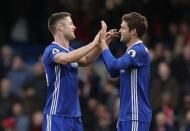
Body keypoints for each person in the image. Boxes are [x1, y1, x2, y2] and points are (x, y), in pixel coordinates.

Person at [42, 12, 105, 131]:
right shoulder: (51, 50)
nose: (74, 27)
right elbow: (66, 59)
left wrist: (102, 44)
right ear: (60, 27)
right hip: (57, 115)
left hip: (75, 115)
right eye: (71, 24)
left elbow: (86, 60)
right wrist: (93, 43)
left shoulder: (71, 50)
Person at [99, 12, 152, 131]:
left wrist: (103, 44)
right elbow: (113, 73)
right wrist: (105, 45)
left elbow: (113, 66)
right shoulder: (131, 51)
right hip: (126, 115)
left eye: (123, 27)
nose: (120, 30)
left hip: (135, 114)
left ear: (133, 31)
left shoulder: (138, 50)